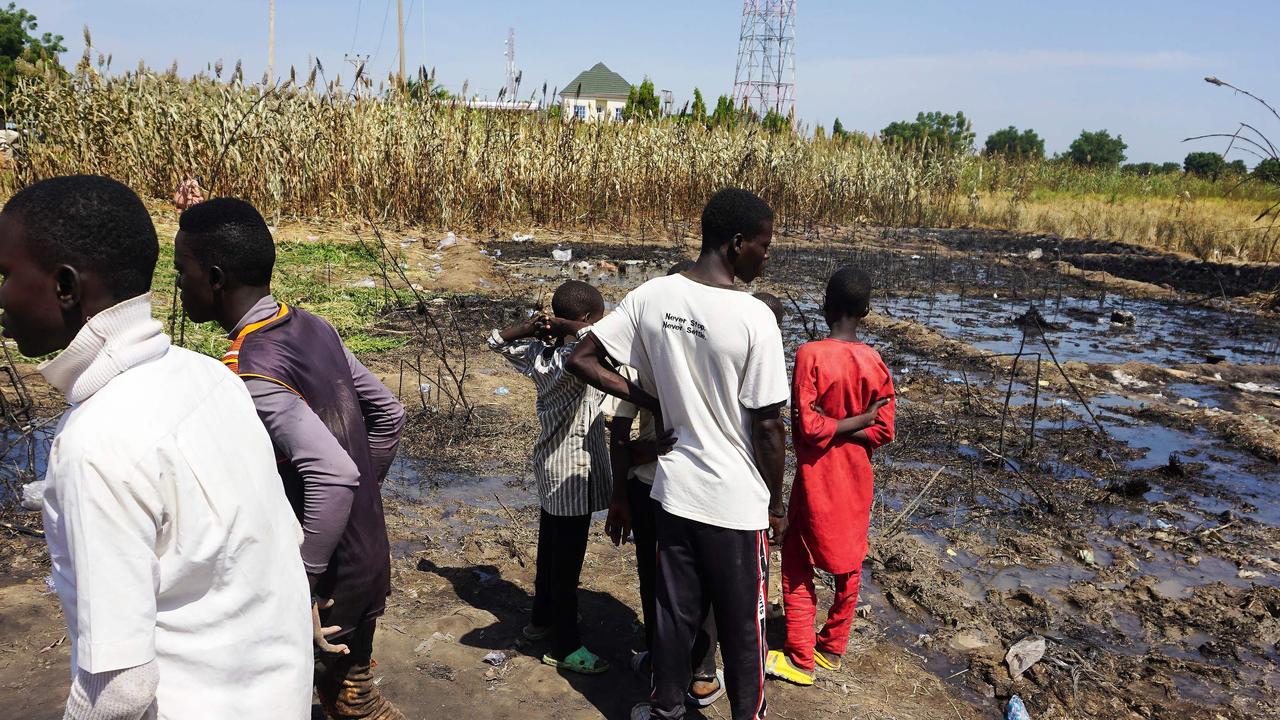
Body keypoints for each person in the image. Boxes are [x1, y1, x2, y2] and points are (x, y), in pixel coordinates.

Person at [0, 175, 312, 719]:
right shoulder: (212, 378)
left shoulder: (96, 442)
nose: (1, 297)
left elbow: (120, 690)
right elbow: (279, 541)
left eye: (4, 275)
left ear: (66, 287)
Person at [173, 198, 407, 720]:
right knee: (352, 696)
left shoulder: (251, 366)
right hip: (363, 552)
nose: (177, 285)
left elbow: (334, 473)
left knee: (338, 702)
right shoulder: (312, 325)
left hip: (322, 579)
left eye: (181, 272)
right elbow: (388, 416)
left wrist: (298, 583)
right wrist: (359, 505)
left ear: (214, 278)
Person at [569, 188, 789, 720]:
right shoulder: (755, 317)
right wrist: (776, 506)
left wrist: (648, 396)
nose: (767, 255)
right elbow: (768, 428)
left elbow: (581, 357)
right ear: (737, 243)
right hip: (734, 506)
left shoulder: (653, 296)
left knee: (671, 617)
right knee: (743, 627)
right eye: (764, 245)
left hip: (672, 495)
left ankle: (665, 708)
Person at [602, 261, 725, 710]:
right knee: (697, 582)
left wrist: (633, 471)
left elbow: (620, 433)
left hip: (658, 487)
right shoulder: (716, 358)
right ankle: (701, 674)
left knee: (659, 581)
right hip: (690, 489)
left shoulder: (646, 363)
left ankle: (667, 666)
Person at [765, 266, 895, 686]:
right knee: (849, 562)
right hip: (857, 478)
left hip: (818, 477)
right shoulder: (874, 361)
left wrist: (832, 423)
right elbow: (882, 427)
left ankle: (801, 658)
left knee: (798, 563)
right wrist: (859, 420)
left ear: (825, 306)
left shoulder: (810, 355)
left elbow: (809, 428)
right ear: (866, 311)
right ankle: (833, 648)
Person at [487, 280, 612, 675]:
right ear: (587, 319)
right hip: (572, 469)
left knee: (550, 550)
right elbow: (599, 338)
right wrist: (566, 325)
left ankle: (540, 622)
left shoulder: (540, 353)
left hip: (549, 462)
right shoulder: (577, 357)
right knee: (566, 563)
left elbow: (495, 341)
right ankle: (565, 645)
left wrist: (532, 326)